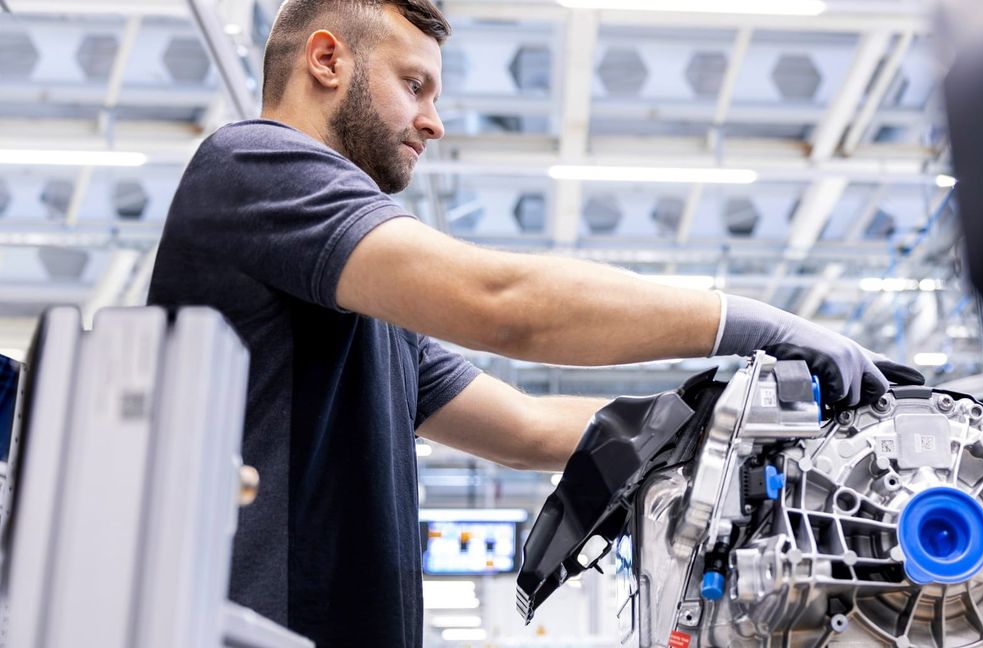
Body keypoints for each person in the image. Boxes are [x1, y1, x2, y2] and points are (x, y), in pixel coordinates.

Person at [147, 1, 922, 645]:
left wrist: (739, 425)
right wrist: (754, 323)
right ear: (327, 60)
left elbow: (525, 428)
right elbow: (504, 306)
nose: (433, 121)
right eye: (414, 85)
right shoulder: (255, 165)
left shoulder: (362, 307)